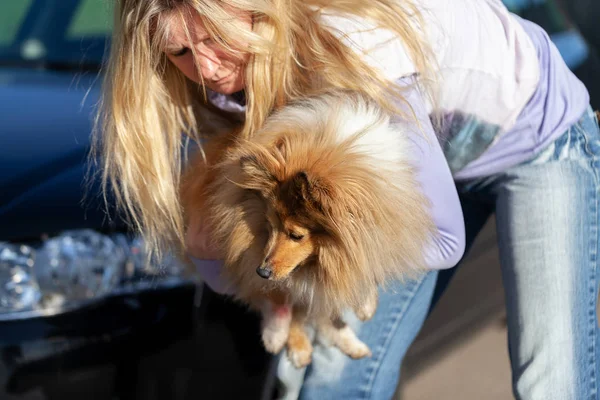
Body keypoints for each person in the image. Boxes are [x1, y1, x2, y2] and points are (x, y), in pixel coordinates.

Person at [93, 0, 600, 399]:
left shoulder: (358, 48)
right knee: (334, 376)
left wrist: (323, 270)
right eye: (179, 52)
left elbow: (443, 241)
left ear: (253, 11)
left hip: (535, 138)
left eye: (213, 38)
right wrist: (211, 250)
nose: (204, 67)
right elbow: (242, 273)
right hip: (416, 167)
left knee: (548, 381)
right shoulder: (226, 79)